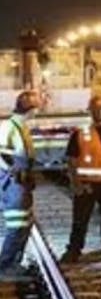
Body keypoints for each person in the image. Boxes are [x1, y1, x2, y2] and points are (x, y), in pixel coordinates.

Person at [62, 93, 101, 262]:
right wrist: (76, 184)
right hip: (87, 185)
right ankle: (74, 251)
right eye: (96, 109)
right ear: (90, 112)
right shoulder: (80, 133)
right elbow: (71, 160)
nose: (100, 112)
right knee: (80, 221)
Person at [0, 90, 40, 279]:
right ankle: (6, 266)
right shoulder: (8, 126)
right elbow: (1, 154)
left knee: (25, 223)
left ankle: (14, 263)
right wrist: (14, 172)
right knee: (17, 225)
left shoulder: (21, 127)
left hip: (21, 182)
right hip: (13, 184)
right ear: (29, 110)